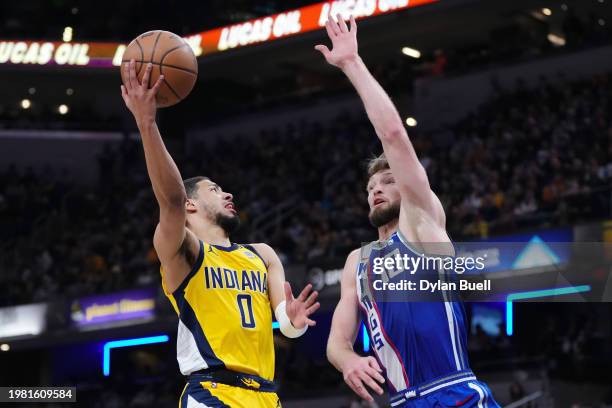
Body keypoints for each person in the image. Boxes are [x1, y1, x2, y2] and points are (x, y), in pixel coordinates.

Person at [318, 15, 499, 407]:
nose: (376, 191)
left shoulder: (421, 222)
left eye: (387, 182)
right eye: (370, 187)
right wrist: (347, 359)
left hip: (452, 393)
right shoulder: (356, 261)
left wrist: (352, 64)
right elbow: (337, 341)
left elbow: (394, 136)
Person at [121, 60, 320, 408]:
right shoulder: (185, 252)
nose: (227, 194)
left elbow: (286, 323)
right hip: (212, 392)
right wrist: (147, 122)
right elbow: (169, 201)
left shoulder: (262, 254)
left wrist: (295, 321)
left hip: (265, 396)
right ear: (191, 206)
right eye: (214, 189)